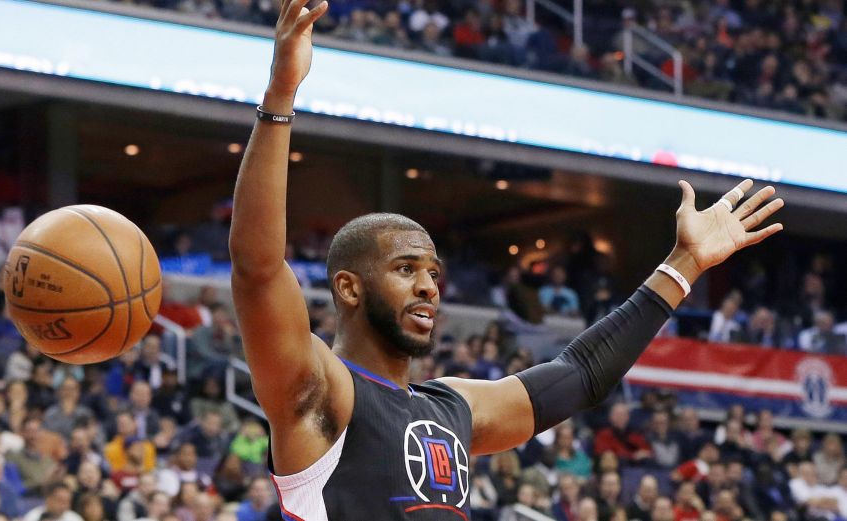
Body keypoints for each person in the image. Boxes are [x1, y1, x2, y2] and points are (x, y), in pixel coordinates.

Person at [228, 0, 785, 517]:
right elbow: (257, 271)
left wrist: (685, 262)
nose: (428, 286)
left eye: (433, 273)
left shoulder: (452, 409)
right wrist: (280, 95)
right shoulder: (321, 391)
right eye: (405, 269)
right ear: (349, 288)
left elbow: (581, 375)